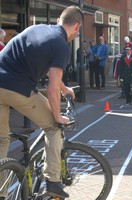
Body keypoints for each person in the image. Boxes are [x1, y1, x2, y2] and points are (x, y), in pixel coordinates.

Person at [0, 6, 83, 199]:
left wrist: (65, 89)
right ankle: (52, 181)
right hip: (16, 87)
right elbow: (52, 89)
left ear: (57, 21)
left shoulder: (37, 29)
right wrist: (57, 116)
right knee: (53, 127)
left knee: (2, 140)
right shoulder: (62, 45)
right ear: (77, 28)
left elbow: (48, 70)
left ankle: (1, 193)